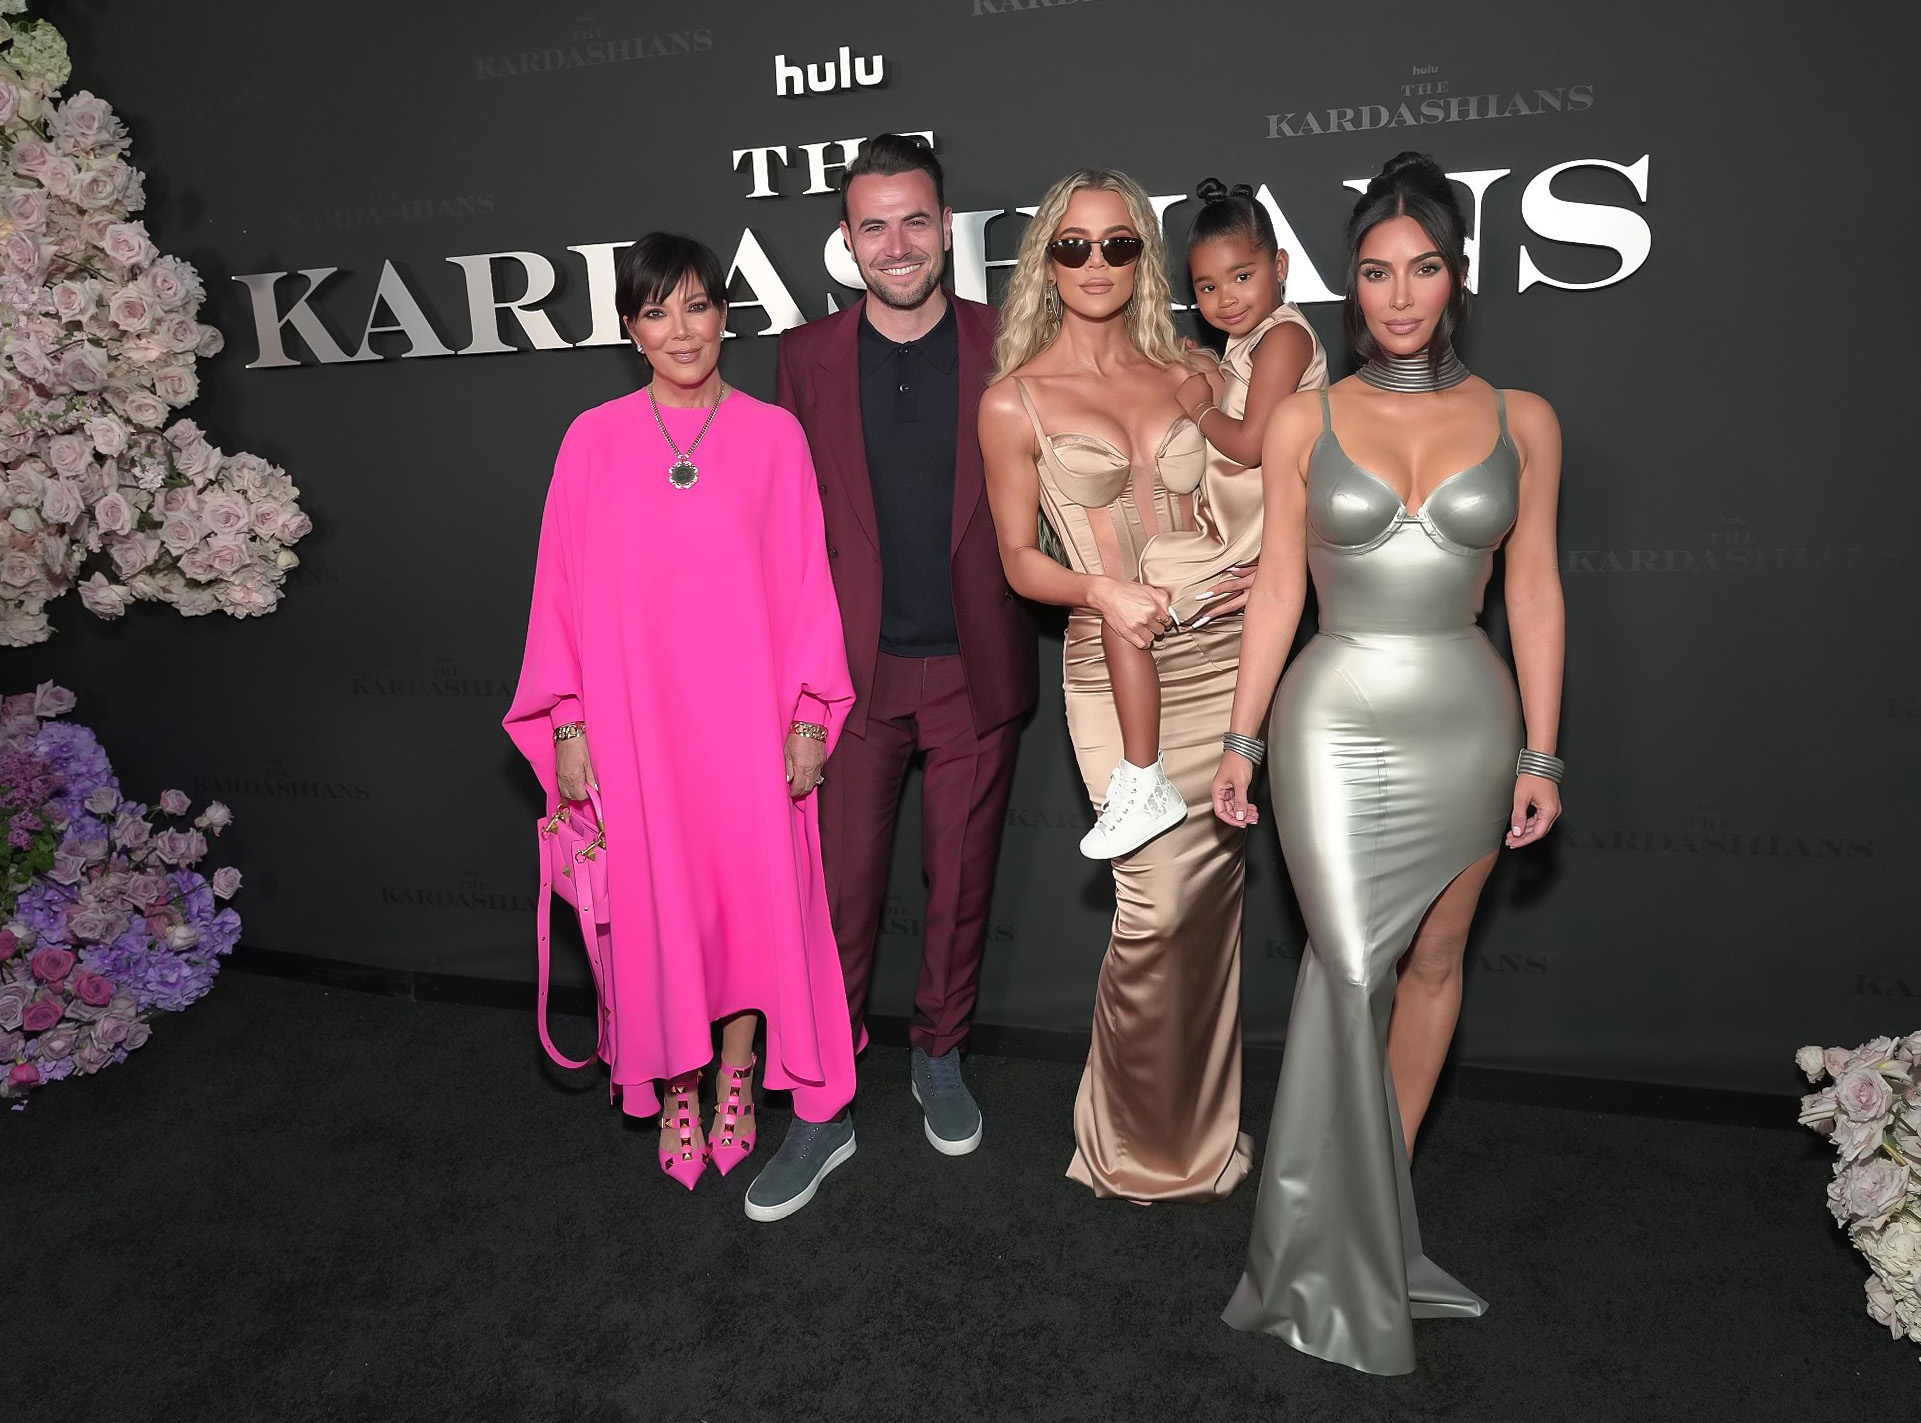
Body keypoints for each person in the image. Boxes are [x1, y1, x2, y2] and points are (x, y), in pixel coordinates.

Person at [1211, 151, 1566, 1373]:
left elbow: (1535, 591)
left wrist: (1542, 751)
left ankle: (1375, 1205)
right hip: (1334, 714)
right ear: (1349, 285)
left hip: (1468, 712)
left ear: (1457, 276)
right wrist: (1242, 737)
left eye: (1422, 268)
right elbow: (1273, 595)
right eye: (1374, 271)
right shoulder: (1304, 417)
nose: (1399, 294)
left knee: (1436, 962)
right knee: (1347, 966)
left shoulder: (1524, 420)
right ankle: (1320, 1245)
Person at [505, 232, 860, 1223]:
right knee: (659, 911)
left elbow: (804, 586)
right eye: (655, 311)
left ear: (723, 316)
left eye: (696, 306)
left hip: (748, 722)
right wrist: (568, 721)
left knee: (748, 906)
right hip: (634, 727)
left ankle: (740, 1076)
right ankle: (676, 1089)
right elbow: (561, 595)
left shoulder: (774, 437)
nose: (679, 329)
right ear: (630, 327)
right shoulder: (591, 439)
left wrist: (805, 715)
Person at [977, 169, 1260, 1202]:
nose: (1095, 265)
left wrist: (1256, 576)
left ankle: (1206, 1133)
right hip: (1111, 664)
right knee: (1153, 905)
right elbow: (1017, 558)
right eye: (1072, 246)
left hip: (1221, 659)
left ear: (1143, 255)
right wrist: (1099, 587)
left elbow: (1258, 487)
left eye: (1118, 244)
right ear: (1044, 260)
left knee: (1212, 904)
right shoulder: (1014, 400)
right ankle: (1131, 1140)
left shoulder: (1189, 368)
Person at [776, 134, 1037, 1156]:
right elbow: (788, 532)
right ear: (846, 239)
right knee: (839, 902)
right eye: (874, 225)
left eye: (915, 221)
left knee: (961, 889)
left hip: (976, 666)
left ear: (945, 229)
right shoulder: (803, 357)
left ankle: (939, 1053)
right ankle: (825, 1090)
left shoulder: (1007, 340)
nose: (897, 243)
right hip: (851, 679)